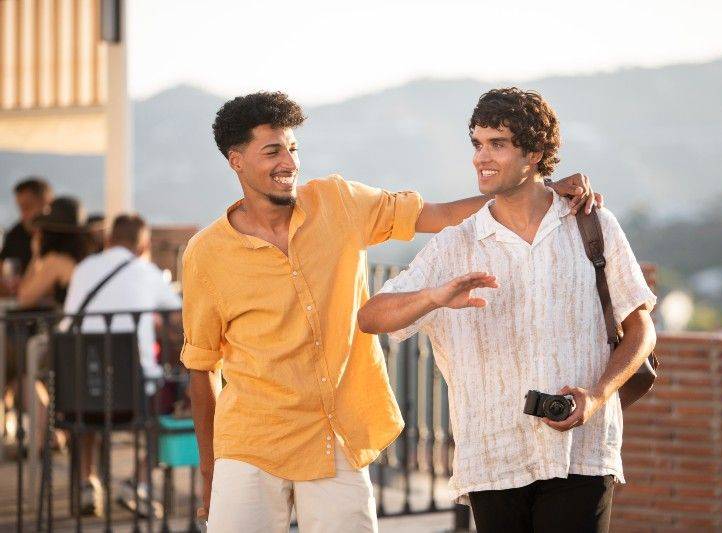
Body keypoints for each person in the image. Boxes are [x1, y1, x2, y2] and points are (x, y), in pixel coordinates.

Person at [180, 91, 601, 532]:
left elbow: (441, 214)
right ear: (236, 160)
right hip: (249, 445)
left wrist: (540, 189)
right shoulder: (206, 254)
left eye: (293, 148)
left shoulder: (338, 202)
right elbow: (201, 366)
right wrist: (211, 474)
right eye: (272, 151)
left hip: (337, 437)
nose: (289, 162)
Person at [358, 88, 657, 533]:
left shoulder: (592, 224)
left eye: (498, 144)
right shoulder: (455, 244)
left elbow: (640, 331)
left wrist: (595, 398)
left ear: (534, 152)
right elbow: (371, 317)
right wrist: (432, 297)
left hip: (582, 448)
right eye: (477, 144)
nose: (482, 157)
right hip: (493, 452)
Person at [62, 213, 182, 516]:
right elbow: (179, 320)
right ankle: (138, 483)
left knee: (88, 412)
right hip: (135, 397)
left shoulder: (83, 269)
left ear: (108, 240)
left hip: (79, 394)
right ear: (143, 245)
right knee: (177, 404)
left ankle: (87, 484)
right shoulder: (146, 271)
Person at [17, 196, 90, 309]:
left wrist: (35, 255)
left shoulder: (56, 262)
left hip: (73, 325)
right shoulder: (86, 258)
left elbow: (24, 298)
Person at [1, 177, 53, 294]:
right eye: (20, 208)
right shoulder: (14, 235)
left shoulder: (66, 235)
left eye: (27, 207)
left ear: (47, 203)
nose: (23, 214)